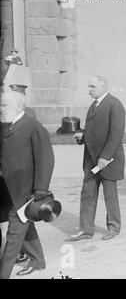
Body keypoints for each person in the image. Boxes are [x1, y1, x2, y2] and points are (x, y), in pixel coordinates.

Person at [0, 91, 54, 278]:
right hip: (7, 189)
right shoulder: (6, 127)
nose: (1, 109)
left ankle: (3, 272)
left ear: (17, 106)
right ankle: (38, 260)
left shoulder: (33, 127)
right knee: (25, 224)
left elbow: (45, 159)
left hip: (25, 191)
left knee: (14, 233)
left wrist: (41, 189)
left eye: (4, 105)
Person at [71, 76, 126, 241]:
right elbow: (94, 131)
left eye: (93, 86)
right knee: (87, 194)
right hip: (91, 161)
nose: (90, 89)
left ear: (103, 86)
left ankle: (114, 227)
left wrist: (104, 157)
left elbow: (116, 134)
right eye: (89, 86)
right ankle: (86, 229)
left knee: (110, 196)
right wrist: (82, 136)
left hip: (107, 161)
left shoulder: (114, 104)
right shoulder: (94, 105)